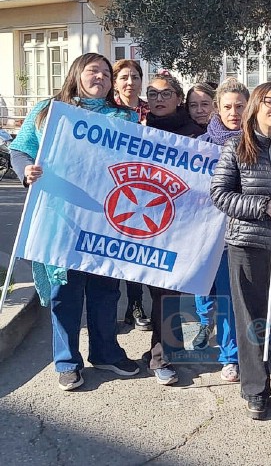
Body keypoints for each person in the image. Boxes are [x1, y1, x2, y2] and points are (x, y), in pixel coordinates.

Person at [10, 53, 141, 391]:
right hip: (60, 217)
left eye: (106, 74)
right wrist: (26, 170)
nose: (101, 77)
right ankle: (67, 361)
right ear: (77, 74)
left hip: (107, 218)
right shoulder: (48, 111)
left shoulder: (123, 116)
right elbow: (21, 149)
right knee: (64, 292)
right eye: (93, 71)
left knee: (105, 291)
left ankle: (107, 353)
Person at [210, 82, 271, 421]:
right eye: (269, 102)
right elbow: (220, 194)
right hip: (246, 245)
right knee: (251, 321)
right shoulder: (236, 145)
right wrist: (260, 205)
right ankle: (255, 391)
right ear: (255, 105)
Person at [143, 72, 203, 385]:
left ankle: (161, 356)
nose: (159, 99)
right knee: (158, 292)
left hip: (182, 224)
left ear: (178, 99)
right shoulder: (139, 130)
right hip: (147, 220)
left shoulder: (196, 132)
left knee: (169, 293)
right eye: (152, 94)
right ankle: (164, 347)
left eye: (166, 94)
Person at [191, 77, 249, 383]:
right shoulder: (201, 145)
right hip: (204, 230)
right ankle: (203, 321)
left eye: (240, 106)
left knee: (228, 295)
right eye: (227, 106)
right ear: (217, 108)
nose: (234, 112)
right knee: (204, 288)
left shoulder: (254, 142)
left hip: (236, 232)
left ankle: (230, 356)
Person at [112, 59, 152, 331]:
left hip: (146, 188)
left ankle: (135, 305)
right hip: (116, 185)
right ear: (115, 82)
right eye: (124, 77)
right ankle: (108, 309)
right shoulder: (107, 111)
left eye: (135, 76)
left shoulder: (151, 111)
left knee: (139, 249)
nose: (130, 82)